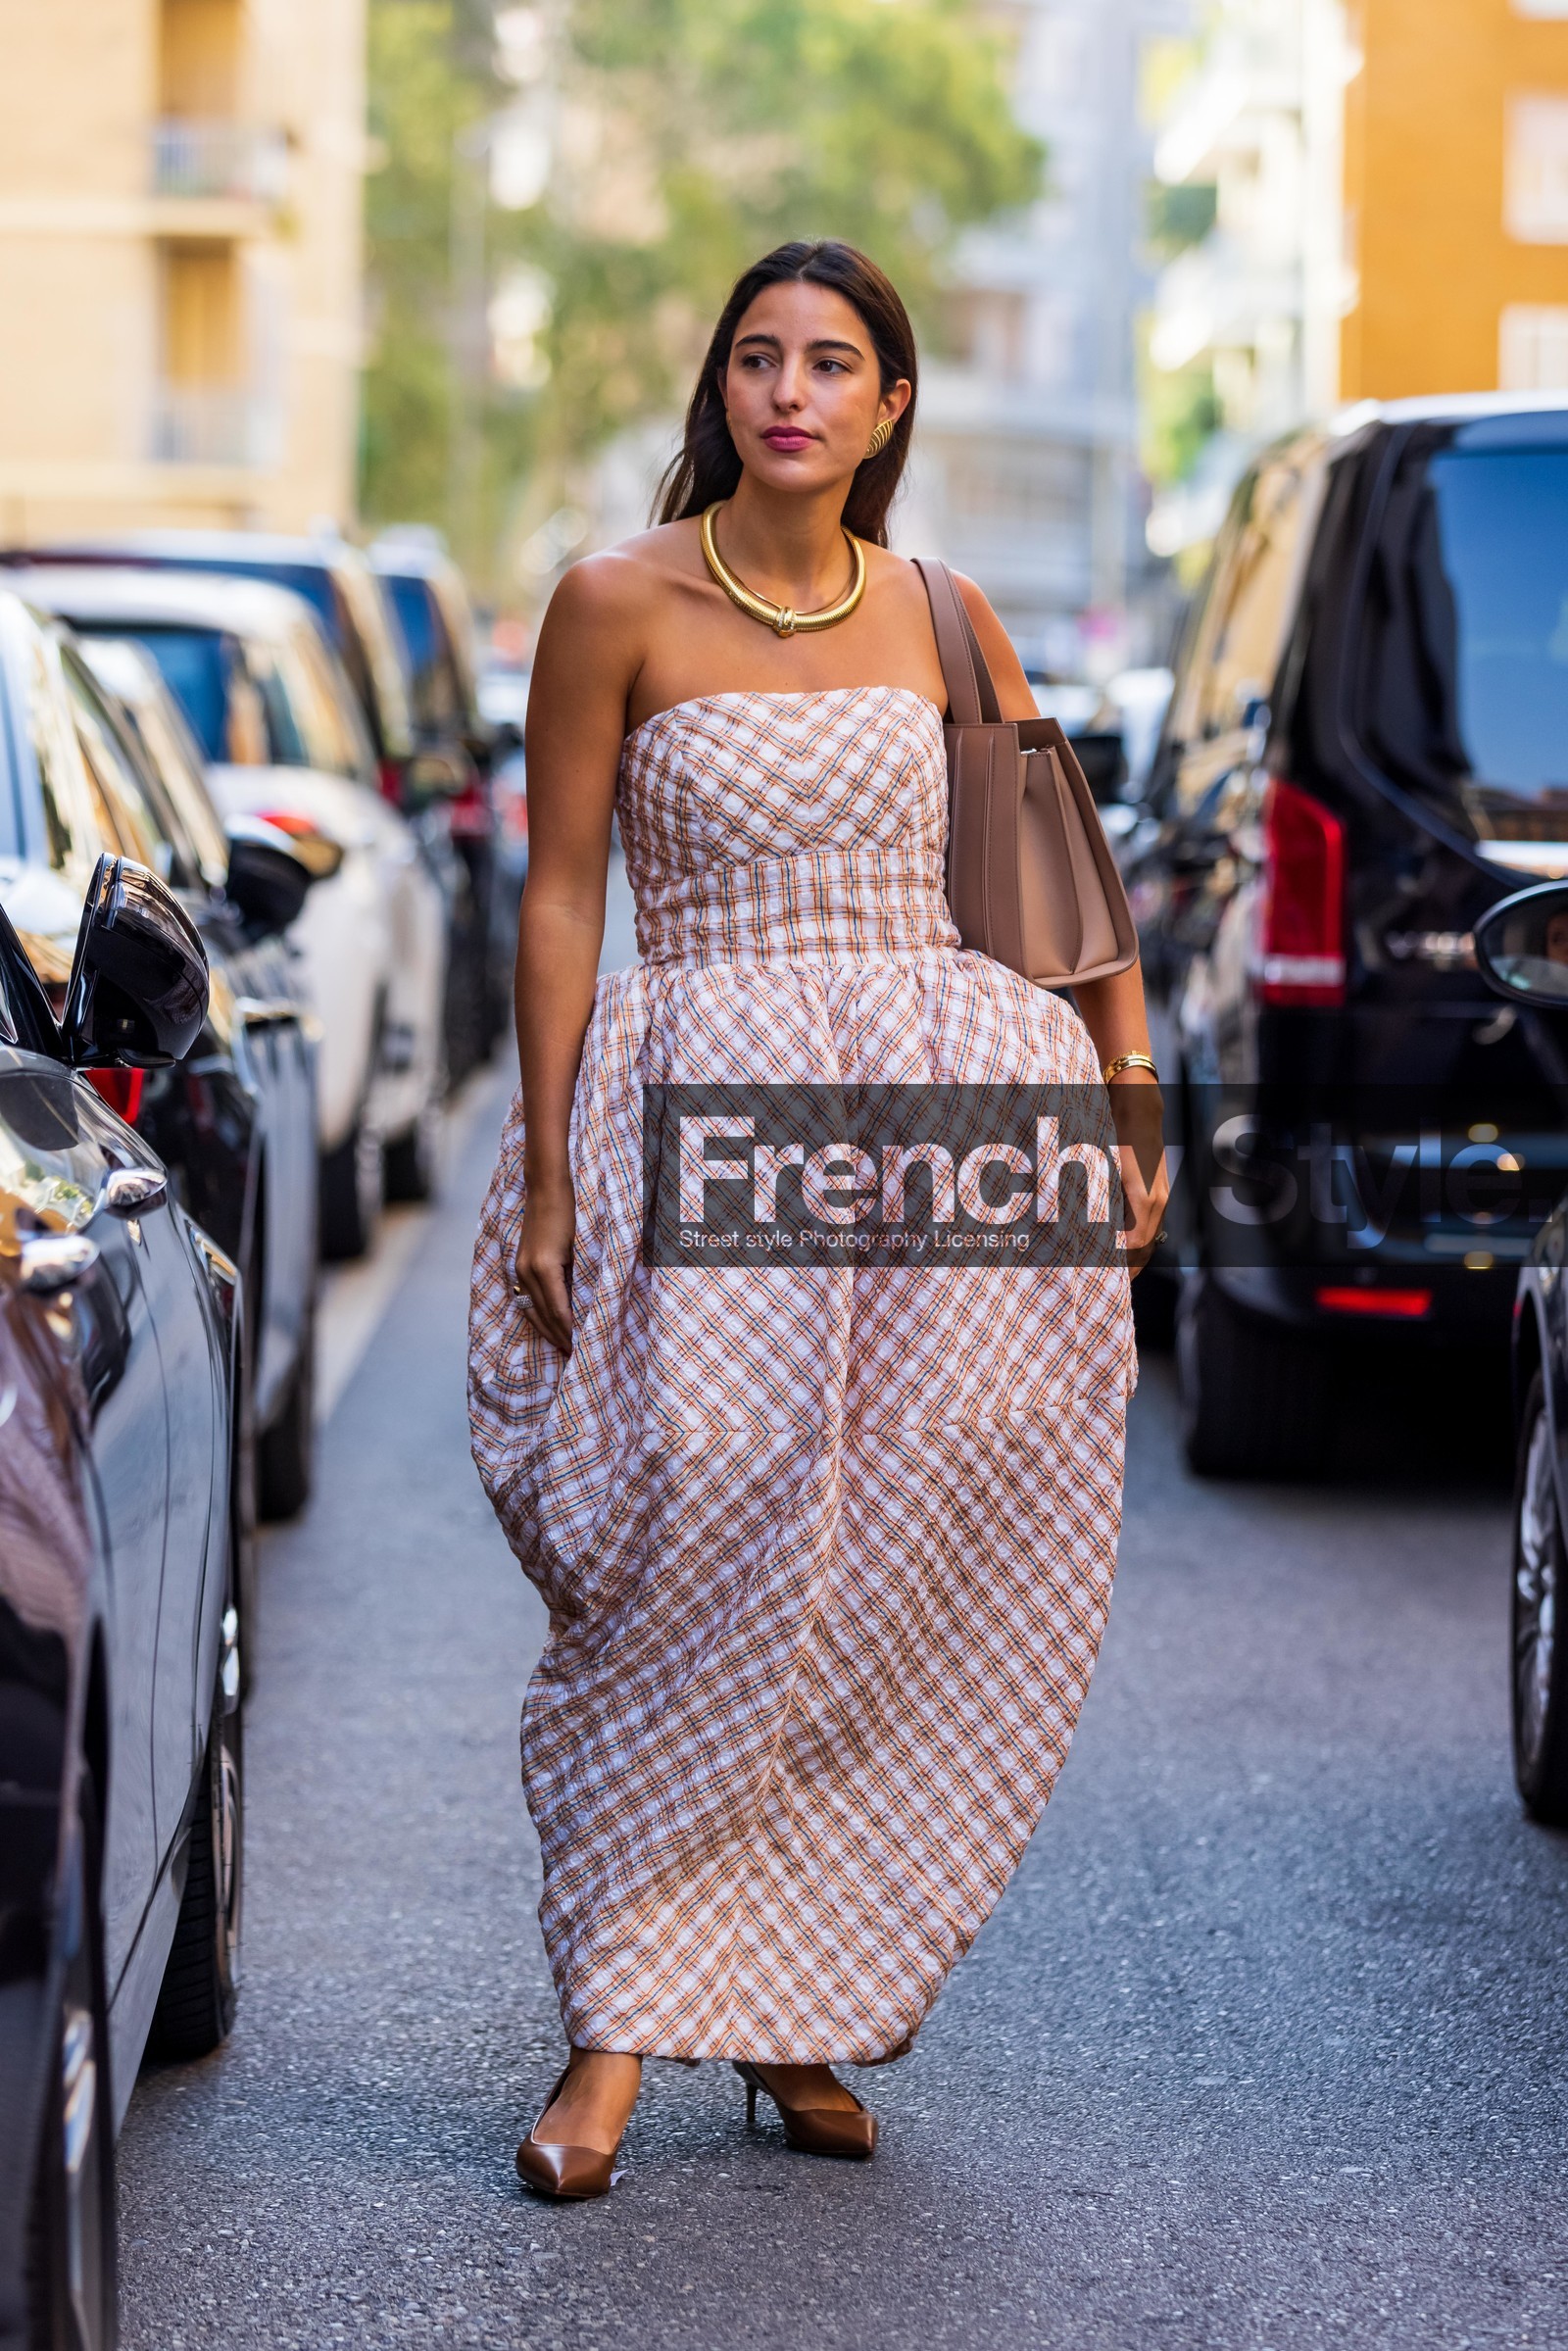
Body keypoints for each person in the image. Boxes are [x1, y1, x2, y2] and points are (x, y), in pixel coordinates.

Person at [468, 239, 1170, 2201]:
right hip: (699, 1111)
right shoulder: (614, 601)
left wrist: (1125, 1100)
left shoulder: (944, 618)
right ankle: (613, 2021)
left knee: (887, 1556)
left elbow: (1055, 880)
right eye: (759, 355)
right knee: (690, 1542)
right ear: (725, 386)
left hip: (936, 1137)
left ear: (886, 408)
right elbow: (555, 899)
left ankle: (788, 2011)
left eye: (833, 360)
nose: (792, 387)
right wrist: (542, 1162)